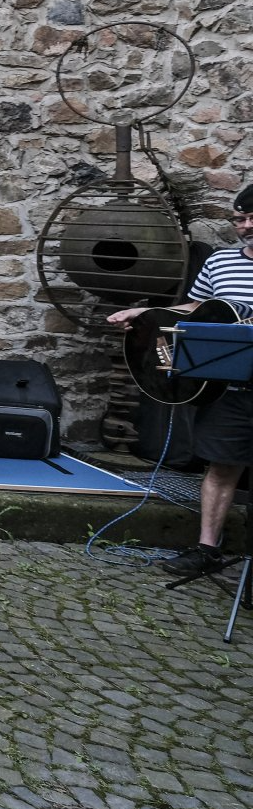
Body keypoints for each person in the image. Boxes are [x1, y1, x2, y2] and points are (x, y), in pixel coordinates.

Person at [109, 183, 253, 575]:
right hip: (230, 388)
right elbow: (194, 307)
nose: (245, 226)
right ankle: (207, 551)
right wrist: (147, 313)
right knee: (221, 468)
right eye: (240, 218)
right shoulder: (221, 262)